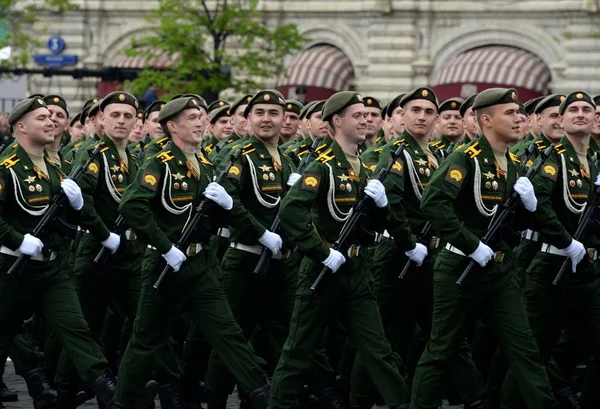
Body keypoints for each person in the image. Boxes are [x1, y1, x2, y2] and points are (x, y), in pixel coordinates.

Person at [114, 96, 270, 409]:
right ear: (172, 126)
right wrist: (165, 246)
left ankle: (265, 397)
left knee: (229, 335)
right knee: (146, 341)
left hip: (202, 265)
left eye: (201, 116)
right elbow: (132, 205)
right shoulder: (159, 162)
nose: (200, 123)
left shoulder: (207, 164)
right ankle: (121, 402)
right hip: (165, 265)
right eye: (191, 118)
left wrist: (226, 206)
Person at [410, 88, 558, 409]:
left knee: (525, 350)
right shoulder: (465, 157)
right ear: (486, 119)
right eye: (511, 113)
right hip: (460, 267)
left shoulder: (514, 162)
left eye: (520, 113)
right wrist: (471, 244)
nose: (520, 118)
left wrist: (529, 208)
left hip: (500, 270)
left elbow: (513, 224)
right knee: (442, 351)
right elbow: (434, 203)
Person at [269, 91, 409, 409]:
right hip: (323, 270)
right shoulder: (322, 166)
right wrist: (320, 251)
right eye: (357, 116)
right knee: (298, 351)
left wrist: (383, 206)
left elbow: (375, 223)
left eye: (367, 116)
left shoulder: (364, 167)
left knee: (378, 349)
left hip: (357, 272)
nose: (365, 121)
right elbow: (291, 211)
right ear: (337, 120)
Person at [0, 97, 118, 409]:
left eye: (53, 118)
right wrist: (16, 239)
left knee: (75, 329)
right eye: (42, 118)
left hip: (52, 269)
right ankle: (39, 389)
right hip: (11, 268)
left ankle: (108, 392)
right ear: (20, 126)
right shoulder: (7, 167)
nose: (51, 122)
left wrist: (80, 208)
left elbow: (70, 216)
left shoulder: (57, 165)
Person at [501, 91, 600, 409]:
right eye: (572, 110)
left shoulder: (594, 162)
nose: (580, 113)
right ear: (562, 119)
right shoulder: (553, 159)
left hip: (587, 271)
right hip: (551, 268)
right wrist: (565, 241)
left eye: (587, 109)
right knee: (534, 352)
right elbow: (539, 204)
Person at [204, 89, 297, 409]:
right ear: (248, 119)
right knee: (231, 335)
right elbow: (229, 204)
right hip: (243, 258)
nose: (267, 119)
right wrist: (261, 234)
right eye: (260, 113)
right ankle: (215, 398)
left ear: (284, 119)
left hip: (279, 261)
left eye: (274, 113)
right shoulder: (237, 154)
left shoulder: (288, 159)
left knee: (282, 331)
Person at [53, 91, 145, 406]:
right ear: (101, 119)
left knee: (143, 319)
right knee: (86, 324)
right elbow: (82, 199)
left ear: (136, 121)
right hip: (96, 252)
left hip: (130, 254)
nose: (121, 121)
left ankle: (134, 385)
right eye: (115, 115)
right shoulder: (93, 153)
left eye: (128, 116)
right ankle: (65, 390)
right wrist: (105, 234)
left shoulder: (134, 156)